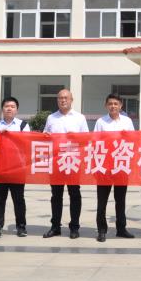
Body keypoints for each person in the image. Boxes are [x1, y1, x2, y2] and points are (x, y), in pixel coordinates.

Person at [43, 89, 89, 239]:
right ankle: (55, 226)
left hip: (73, 161)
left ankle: (74, 227)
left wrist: (76, 137)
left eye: (65, 98)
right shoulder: (51, 118)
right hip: (56, 161)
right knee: (56, 195)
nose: (63, 100)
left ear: (71, 100)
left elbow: (86, 139)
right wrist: (46, 136)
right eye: (60, 98)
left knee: (74, 194)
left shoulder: (80, 118)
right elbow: (45, 137)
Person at [0, 97, 29, 239]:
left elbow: (27, 145)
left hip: (17, 169)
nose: (9, 108)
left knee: (19, 199)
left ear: (17, 110)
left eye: (12, 106)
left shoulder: (23, 126)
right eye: (6, 106)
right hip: (0, 169)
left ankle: (21, 226)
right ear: (2, 109)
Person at [94, 93, 135, 241]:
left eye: (116, 104)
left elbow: (133, 141)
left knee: (120, 200)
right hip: (104, 166)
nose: (113, 106)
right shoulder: (101, 122)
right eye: (110, 104)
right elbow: (95, 142)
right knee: (102, 201)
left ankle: (121, 229)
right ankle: (101, 230)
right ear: (106, 105)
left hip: (121, 165)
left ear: (121, 105)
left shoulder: (127, 121)